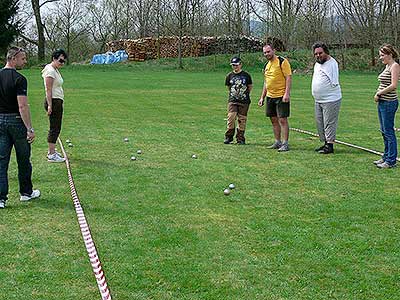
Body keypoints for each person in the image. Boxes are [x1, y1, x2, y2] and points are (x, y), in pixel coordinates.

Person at [0, 47, 40, 209]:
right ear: (13, 58)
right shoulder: (19, 79)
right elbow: (22, 106)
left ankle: (1, 199)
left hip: (0, 122)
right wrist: (29, 128)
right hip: (16, 122)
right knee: (23, 159)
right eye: (23, 58)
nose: (25, 61)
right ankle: (26, 193)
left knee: (1, 161)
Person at [258, 43, 292, 152]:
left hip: (281, 95)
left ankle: (285, 143)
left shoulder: (282, 62)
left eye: (268, 51)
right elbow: (266, 82)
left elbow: (288, 78)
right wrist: (262, 97)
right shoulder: (267, 65)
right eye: (264, 52)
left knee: (282, 119)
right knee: (273, 120)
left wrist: (286, 93)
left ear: (274, 50)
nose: (266, 54)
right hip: (270, 96)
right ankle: (277, 141)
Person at [311, 42, 342, 154]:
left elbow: (334, 82)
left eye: (320, 53)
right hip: (318, 99)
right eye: (316, 54)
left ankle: (330, 145)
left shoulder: (332, 63)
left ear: (326, 52)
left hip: (331, 99)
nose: (318, 55)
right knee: (320, 123)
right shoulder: (317, 64)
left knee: (329, 123)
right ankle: (325, 143)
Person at [373, 44, 399, 169]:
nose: (380, 58)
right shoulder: (387, 66)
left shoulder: (395, 66)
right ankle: (386, 156)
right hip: (382, 102)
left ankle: (391, 160)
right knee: (383, 131)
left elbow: (394, 85)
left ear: (390, 54)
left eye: (382, 55)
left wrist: (379, 93)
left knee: (388, 131)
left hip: (389, 103)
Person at [42, 49, 68, 162]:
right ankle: (52, 155)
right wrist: (50, 106)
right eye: (60, 60)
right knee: (55, 127)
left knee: (56, 127)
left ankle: (52, 151)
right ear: (54, 58)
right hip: (53, 101)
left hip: (57, 101)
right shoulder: (50, 71)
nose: (62, 63)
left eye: (64, 61)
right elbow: (48, 89)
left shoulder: (55, 70)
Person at [224, 57, 253, 144]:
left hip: (244, 101)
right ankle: (229, 137)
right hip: (233, 100)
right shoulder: (229, 76)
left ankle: (240, 138)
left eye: (236, 65)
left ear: (240, 65)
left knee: (242, 119)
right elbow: (229, 87)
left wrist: (243, 94)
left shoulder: (246, 75)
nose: (235, 67)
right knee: (231, 117)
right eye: (233, 65)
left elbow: (249, 86)